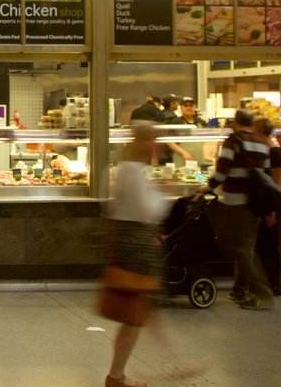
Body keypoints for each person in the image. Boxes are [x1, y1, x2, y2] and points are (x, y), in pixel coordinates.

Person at [102, 124, 168, 387]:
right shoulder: (133, 171)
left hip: (129, 241)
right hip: (135, 245)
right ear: (143, 142)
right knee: (135, 311)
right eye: (152, 140)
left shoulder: (128, 168)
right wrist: (161, 196)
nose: (156, 146)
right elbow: (147, 210)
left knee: (138, 310)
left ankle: (117, 374)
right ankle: (116, 376)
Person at [198, 108, 275, 310]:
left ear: (235, 123)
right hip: (255, 204)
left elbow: (222, 169)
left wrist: (208, 187)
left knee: (239, 248)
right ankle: (240, 290)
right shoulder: (261, 142)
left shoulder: (233, 141)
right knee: (246, 246)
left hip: (235, 203)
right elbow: (266, 173)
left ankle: (262, 293)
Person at [253, 117, 281, 296]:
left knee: (270, 247)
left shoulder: (273, 153)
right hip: (266, 204)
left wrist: (273, 210)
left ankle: (274, 285)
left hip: (271, 205)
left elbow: (278, 183)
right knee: (264, 246)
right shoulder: (265, 151)